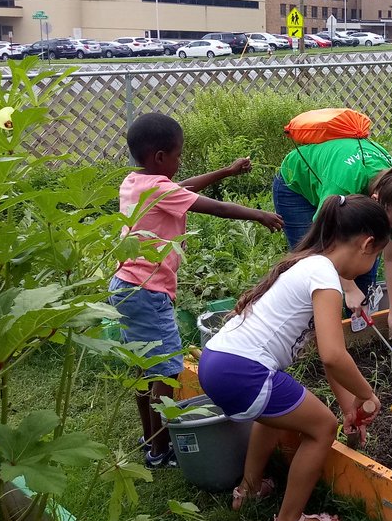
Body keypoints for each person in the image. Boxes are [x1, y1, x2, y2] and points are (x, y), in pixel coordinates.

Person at [198, 195, 390, 521]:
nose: (372, 263)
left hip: (216, 361)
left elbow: (324, 350)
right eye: (376, 256)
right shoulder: (326, 277)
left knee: (278, 410)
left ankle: (250, 489)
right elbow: (334, 355)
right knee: (322, 427)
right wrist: (368, 395)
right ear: (367, 244)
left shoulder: (310, 264)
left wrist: (350, 407)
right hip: (243, 370)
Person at [110, 113, 284, 469]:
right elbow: (216, 208)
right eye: (177, 155)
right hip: (148, 292)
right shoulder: (158, 187)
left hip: (126, 288)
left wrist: (226, 172)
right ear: (160, 157)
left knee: (145, 368)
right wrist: (259, 215)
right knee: (166, 372)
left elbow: (182, 187)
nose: (180, 161)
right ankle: (159, 451)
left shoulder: (134, 181)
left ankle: (151, 437)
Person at [273, 136, 392, 335]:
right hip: (297, 184)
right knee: (312, 262)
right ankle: (314, 333)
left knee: (363, 260)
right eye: (388, 222)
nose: (390, 228)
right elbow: (323, 241)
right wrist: (349, 289)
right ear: (375, 200)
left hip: (340, 176)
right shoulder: (345, 186)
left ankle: (354, 333)